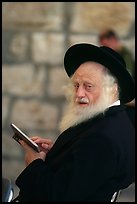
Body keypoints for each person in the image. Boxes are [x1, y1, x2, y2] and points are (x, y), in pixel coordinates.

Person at [13, 43, 135, 202]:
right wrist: (58, 154)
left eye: (88, 86)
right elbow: (83, 169)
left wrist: (34, 163)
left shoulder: (102, 140)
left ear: (113, 89)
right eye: (76, 85)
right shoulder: (115, 120)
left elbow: (56, 196)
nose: (79, 93)